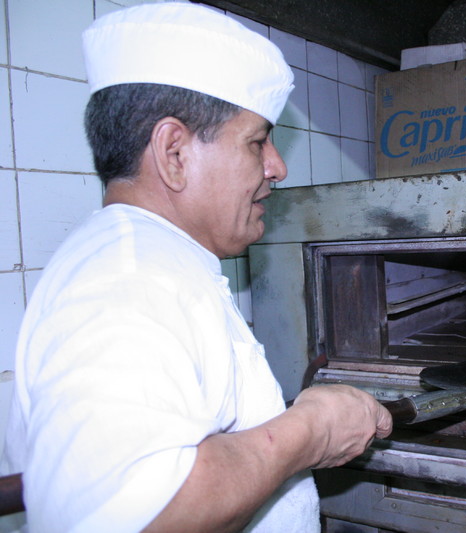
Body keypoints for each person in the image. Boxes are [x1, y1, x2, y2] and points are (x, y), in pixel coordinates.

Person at [0, 3, 392, 532]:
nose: (276, 166)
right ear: (174, 153)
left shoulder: (155, 261)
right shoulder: (129, 280)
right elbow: (142, 515)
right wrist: (312, 430)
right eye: (257, 141)